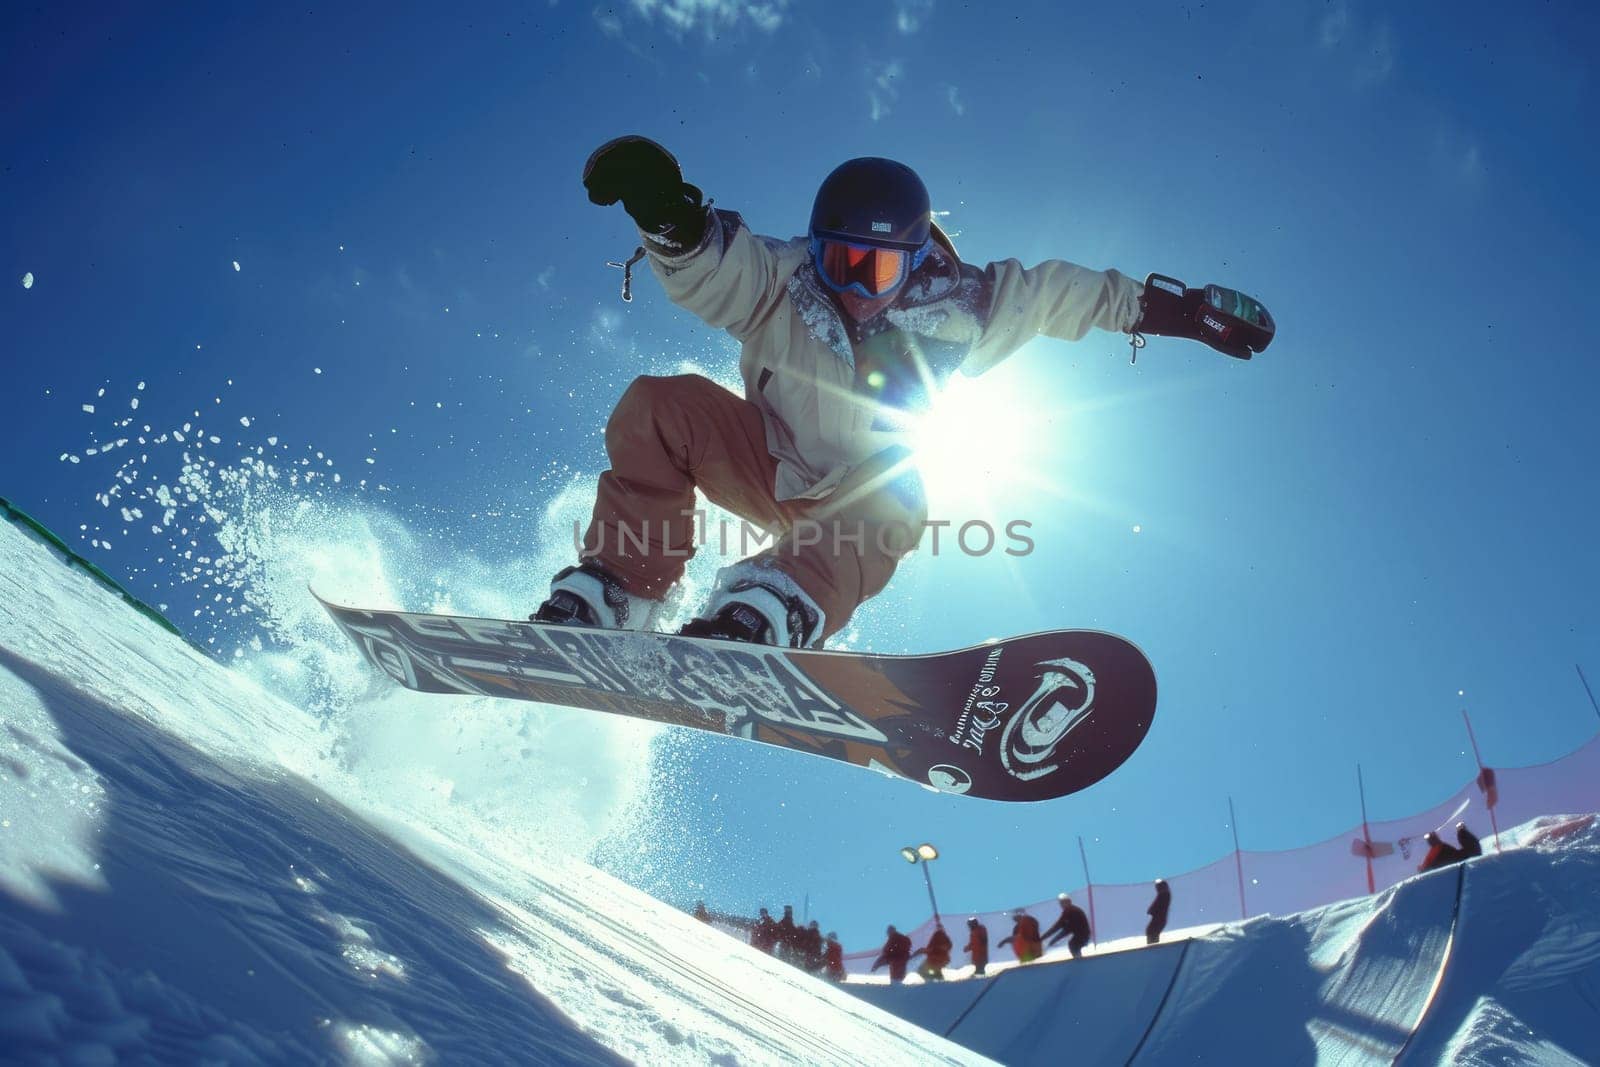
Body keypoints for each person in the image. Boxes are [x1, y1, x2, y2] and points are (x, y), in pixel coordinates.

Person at [532, 136, 1274, 647]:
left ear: (914, 262)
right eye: (840, 262)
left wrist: (1177, 310)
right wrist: (671, 216)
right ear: (814, 249)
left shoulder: (964, 312)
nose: (856, 286)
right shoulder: (784, 282)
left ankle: (778, 603)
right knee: (659, 405)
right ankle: (620, 588)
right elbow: (718, 267)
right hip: (772, 467)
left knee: (907, 487)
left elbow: (1060, 295)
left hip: (862, 503)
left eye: (877, 270)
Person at [1041, 893, 1092, 959]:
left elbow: (1059, 927)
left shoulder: (1071, 910)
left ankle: (1079, 960)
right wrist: (1050, 940)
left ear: (1069, 902)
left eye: (1063, 903)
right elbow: (1062, 927)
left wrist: (1046, 939)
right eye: (1061, 903)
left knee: (1073, 944)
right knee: (1073, 944)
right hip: (1082, 935)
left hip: (1082, 935)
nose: (1062, 905)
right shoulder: (1069, 911)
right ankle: (1078, 959)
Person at [1146, 879, 1172, 945]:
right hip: (1159, 919)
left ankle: (1153, 947)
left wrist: (1151, 910)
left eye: (1158, 887)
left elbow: (1157, 907)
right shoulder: (1164, 895)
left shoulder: (1164, 895)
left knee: (1151, 931)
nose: (1157, 888)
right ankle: (1153, 945)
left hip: (1159, 919)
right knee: (1150, 931)